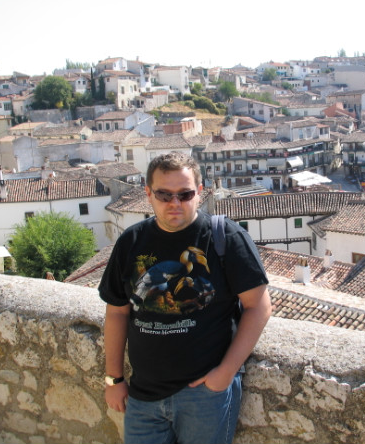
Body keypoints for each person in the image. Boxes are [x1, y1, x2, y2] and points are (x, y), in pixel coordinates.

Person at [99, 152, 271, 444]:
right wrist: (114, 379)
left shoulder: (227, 238)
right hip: (143, 396)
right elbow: (117, 311)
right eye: (164, 195)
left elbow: (259, 307)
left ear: (200, 193)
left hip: (204, 395)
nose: (175, 203)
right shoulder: (131, 241)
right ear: (149, 194)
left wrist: (225, 373)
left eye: (185, 194)